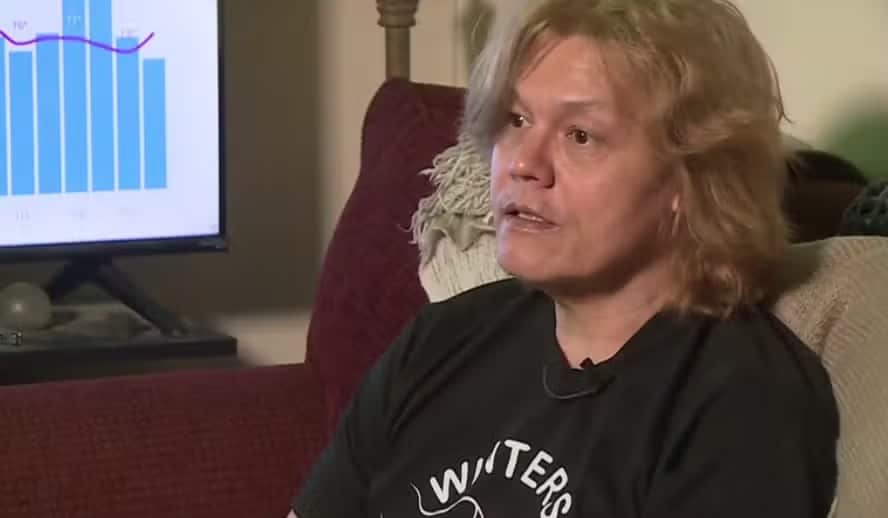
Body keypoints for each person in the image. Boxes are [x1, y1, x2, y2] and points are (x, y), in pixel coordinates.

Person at [289, 0, 839, 516]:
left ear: (690, 178)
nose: (523, 163)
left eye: (580, 135)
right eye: (516, 119)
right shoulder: (441, 338)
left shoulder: (739, 401)